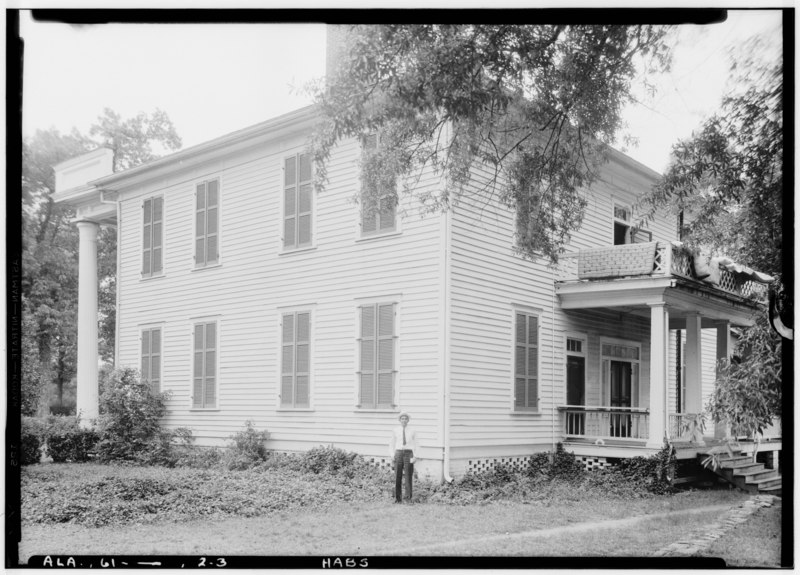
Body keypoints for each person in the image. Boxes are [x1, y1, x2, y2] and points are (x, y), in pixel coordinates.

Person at [389, 412, 418, 503]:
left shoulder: (412, 431)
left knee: (408, 476)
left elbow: (417, 444)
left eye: (406, 419)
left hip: (409, 453)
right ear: (400, 420)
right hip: (398, 453)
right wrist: (392, 455)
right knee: (398, 475)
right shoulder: (395, 430)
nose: (404, 420)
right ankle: (397, 498)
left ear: (408, 420)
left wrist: (415, 456)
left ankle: (408, 498)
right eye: (402, 419)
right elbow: (391, 444)